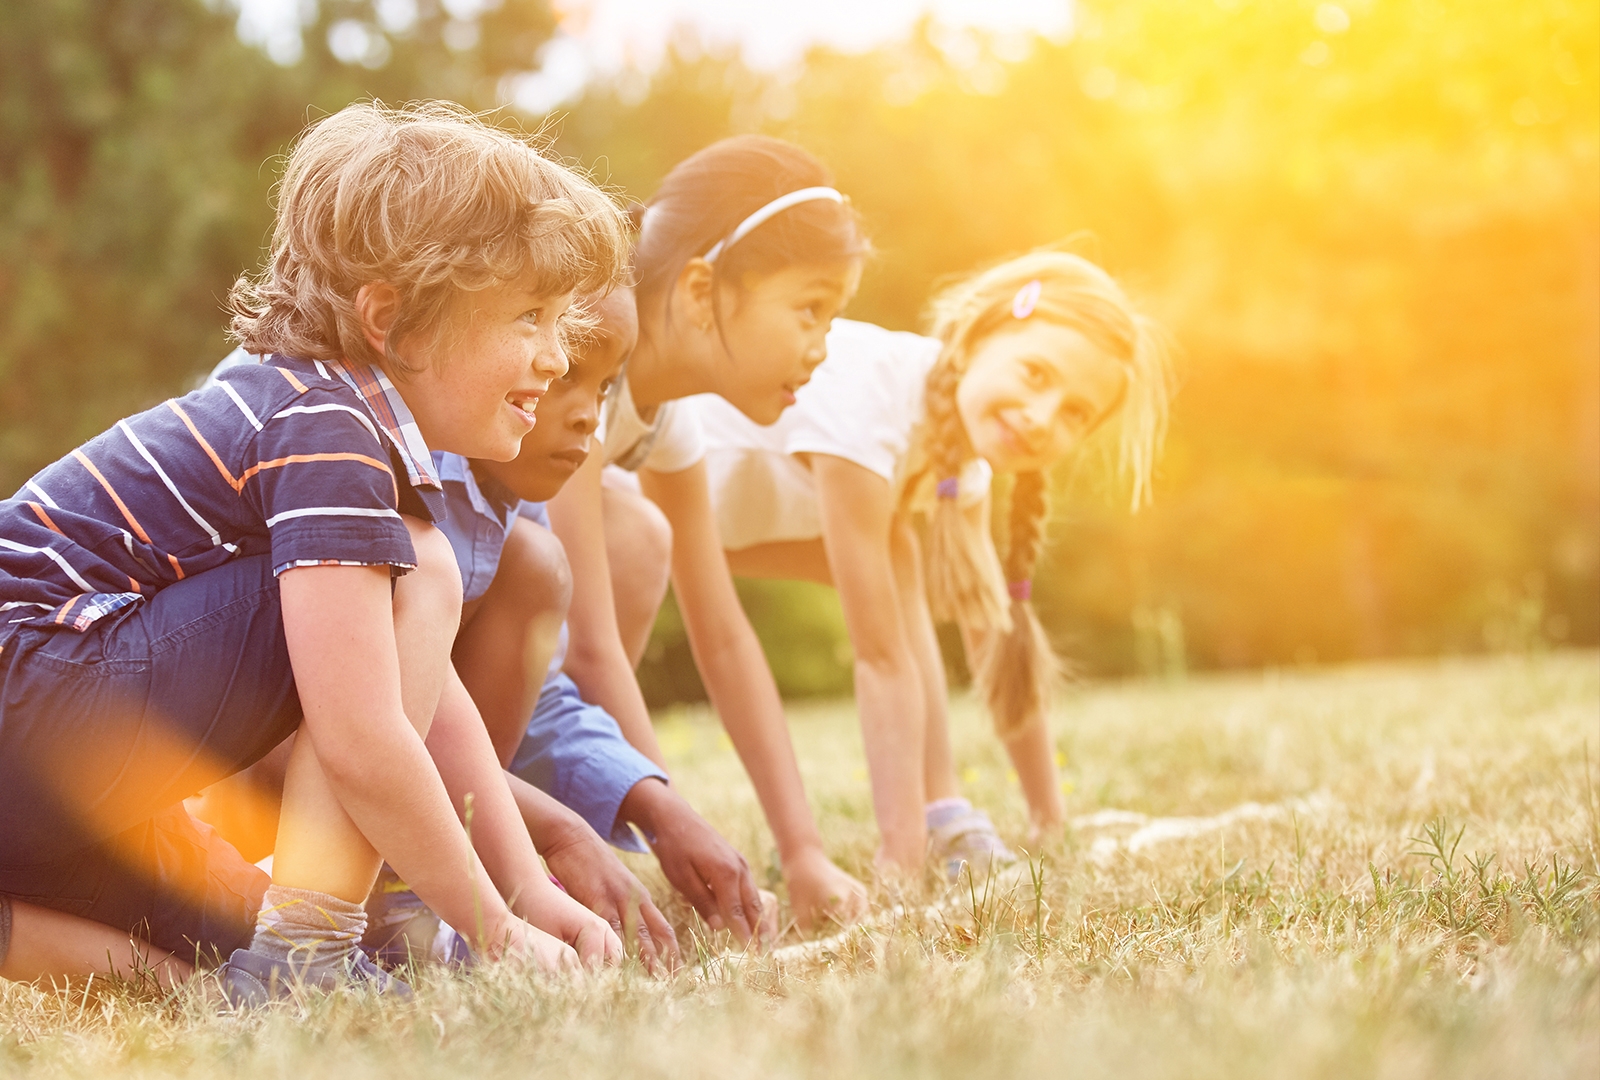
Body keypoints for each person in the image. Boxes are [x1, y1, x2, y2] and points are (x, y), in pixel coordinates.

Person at [0, 102, 628, 996]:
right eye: (529, 316)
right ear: (392, 320)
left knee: (228, 955)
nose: (557, 357)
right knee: (424, 566)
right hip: (27, 698)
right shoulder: (324, 423)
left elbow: (423, 688)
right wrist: (492, 927)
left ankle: (288, 960)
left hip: (44, 779)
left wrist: (524, 886)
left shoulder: (321, 417)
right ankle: (310, 951)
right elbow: (364, 733)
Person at [689, 250, 1174, 878]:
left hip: (714, 532)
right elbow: (879, 655)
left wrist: (1048, 821)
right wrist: (900, 861)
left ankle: (943, 809)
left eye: (1074, 413)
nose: (1041, 416)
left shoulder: (956, 465)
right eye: (1034, 373)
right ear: (980, 334)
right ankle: (925, 829)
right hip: (634, 496)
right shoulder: (870, 396)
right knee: (895, 556)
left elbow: (995, 640)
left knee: (900, 553)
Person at [546, 135, 873, 929]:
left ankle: (575, 811)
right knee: (630, 536)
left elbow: (722, 636)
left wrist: (802, 853)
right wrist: (677, 830)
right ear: (701, 291)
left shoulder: (665, 419)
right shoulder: (582, 374)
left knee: (637, 530)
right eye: (809, 309)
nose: (822, 347)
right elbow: (587, 645)